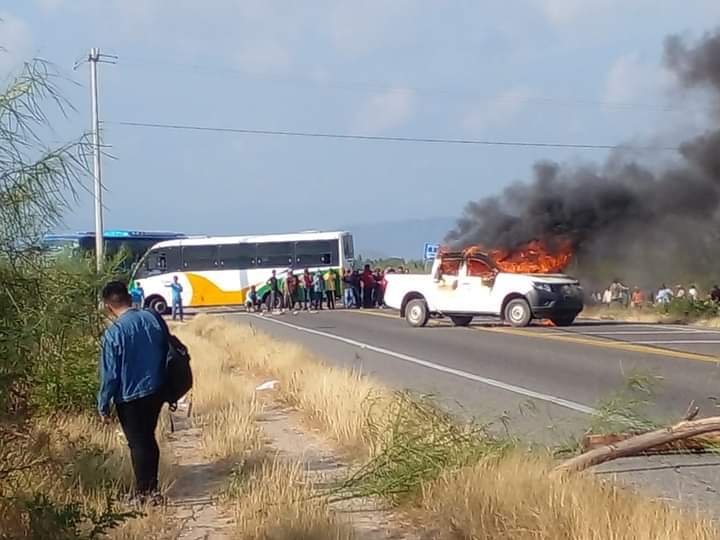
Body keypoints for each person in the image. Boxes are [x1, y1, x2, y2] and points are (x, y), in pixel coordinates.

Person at [98, 281, 167, 505]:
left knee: (137, 443)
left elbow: (110, 375)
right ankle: (152, 489)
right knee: (148, 438)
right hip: (155, 390)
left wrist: (103, 404)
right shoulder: (151, 318)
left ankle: (142, 492)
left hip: (129, 397)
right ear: (129, 298)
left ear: (109, 306)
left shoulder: (114, 333)